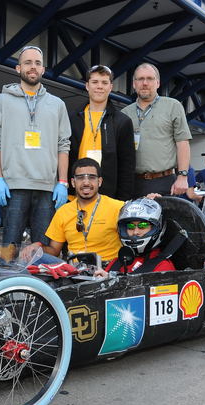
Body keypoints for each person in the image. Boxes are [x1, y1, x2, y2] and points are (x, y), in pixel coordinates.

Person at [0, 45, 71, 248]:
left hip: (47, 189)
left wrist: (63, 182)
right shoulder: (2, 101)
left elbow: (63, 145)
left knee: (42, 251)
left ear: (43, 69)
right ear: (18, 68)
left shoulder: (57, 104)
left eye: (37, 63)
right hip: (13, 187)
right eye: (28, 62)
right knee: (10, 249)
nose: (33, 67)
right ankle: (11, 280)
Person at [20, 158, 124, 263]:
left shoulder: (118, 207)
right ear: (73, 182)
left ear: (100, 181)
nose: (86, 183)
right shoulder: (63, 211)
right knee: (29, 260)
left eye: (92, 178)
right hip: (74, 271)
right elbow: (54, 251)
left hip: (108, 269)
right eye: (80, 178)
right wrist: (37, 247)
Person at [121, 63, 191, 197]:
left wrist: (183, 176)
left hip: (164, 182)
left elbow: (183, 142)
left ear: (158, 83)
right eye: (140, 79)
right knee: (133, 219)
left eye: (150, 78)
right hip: (132, 183)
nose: (145, 83)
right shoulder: (124, 113)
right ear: (134, 84)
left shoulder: (173, 106)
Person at [68, 64, 135, 201]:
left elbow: (127, 167)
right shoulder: (72, 118)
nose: (99, 86)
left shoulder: (122, 122)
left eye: (104, 82)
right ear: (87, 86)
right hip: (74, 196)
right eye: (95, 82)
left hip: (108, 199)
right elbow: (65, 155)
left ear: (110, 87)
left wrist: (122, 201)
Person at [95, 198, 175, 276]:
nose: (135, 232)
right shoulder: (117, 262)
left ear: (155, 228)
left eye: (142, 226)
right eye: (130, 226)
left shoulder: (163, 266)